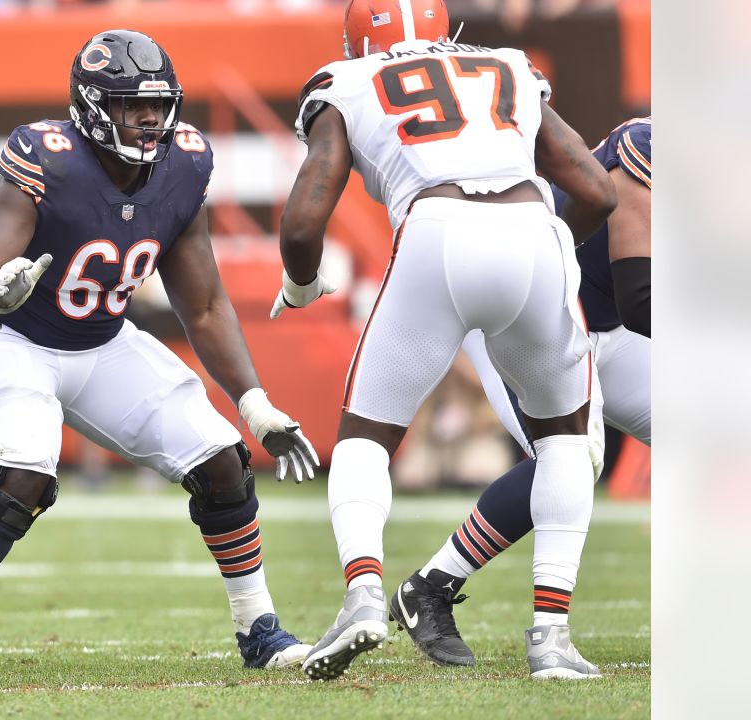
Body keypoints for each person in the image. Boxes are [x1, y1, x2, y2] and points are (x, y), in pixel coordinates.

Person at [0, 29, 319, 678]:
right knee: (23, 473)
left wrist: (253, 401)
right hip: (3, 333)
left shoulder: (185, 163)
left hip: (100, 338)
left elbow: (201, 304)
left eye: (158, 103)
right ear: (91, 108)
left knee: (223, 460)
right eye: (129, 105)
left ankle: (260, 630)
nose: (149, 118)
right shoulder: (49, 156)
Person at [274, 0, 616, 680]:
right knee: (565, 443)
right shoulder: (506, 66)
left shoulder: (346, 80)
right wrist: (546, 257)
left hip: (436, 229)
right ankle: (551, 636)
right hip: (531, 226)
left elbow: (305, 218)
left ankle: (365, 592)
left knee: (367, 436)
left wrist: (302, 285)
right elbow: (596, 190)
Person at [389, 116, 651, 670]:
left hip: (605, 328)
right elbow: (643, 297)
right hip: (532, 314)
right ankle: (449, 595)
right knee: (570, 454)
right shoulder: (647, 148)